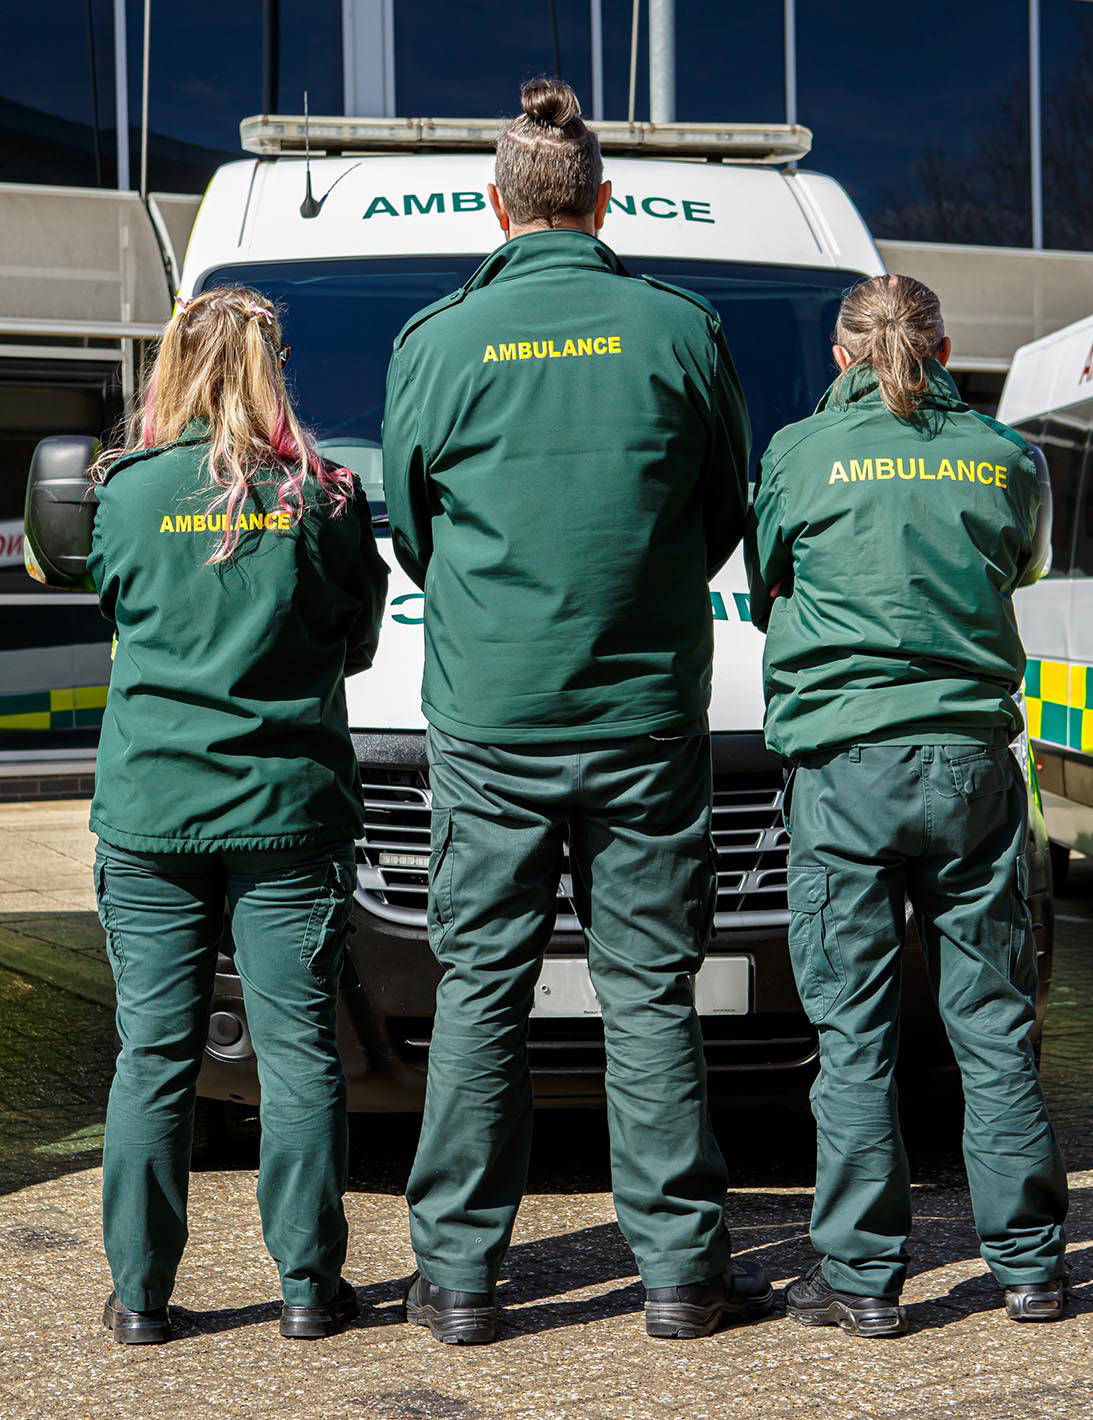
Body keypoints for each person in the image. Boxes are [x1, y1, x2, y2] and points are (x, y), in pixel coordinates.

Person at [383, 76, 764, 1346]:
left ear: (495, 207)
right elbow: (723, 512)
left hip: (491, 717)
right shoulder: (678, 327)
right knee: (650, 988)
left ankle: (458, 1282)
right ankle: (678, 1277)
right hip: (645, 715)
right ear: (604, 203)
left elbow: (418, 533)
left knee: (478, 986)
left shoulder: (433, 342)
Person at [747, 274, 1069, 1337]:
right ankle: (1030, 1267)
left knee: (855, 1031)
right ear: (946, 345)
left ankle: (860, 1280)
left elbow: (765, 579)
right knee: (992, 1020)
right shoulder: (1004, 454)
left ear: (843, 356)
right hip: (971, 763)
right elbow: (1023, 565)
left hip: (844, 766)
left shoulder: (797, 452)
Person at [89, 286, 388, 1344]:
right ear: (274, 367)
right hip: (284, 810)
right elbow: (358, 640)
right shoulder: (325, 498)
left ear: (170, 364)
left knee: (153, 1054)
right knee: (298, 1050)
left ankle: (140, 1298)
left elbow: (118, 609)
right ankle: (308, 1290)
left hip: (153, 812)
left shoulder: (121, 494)